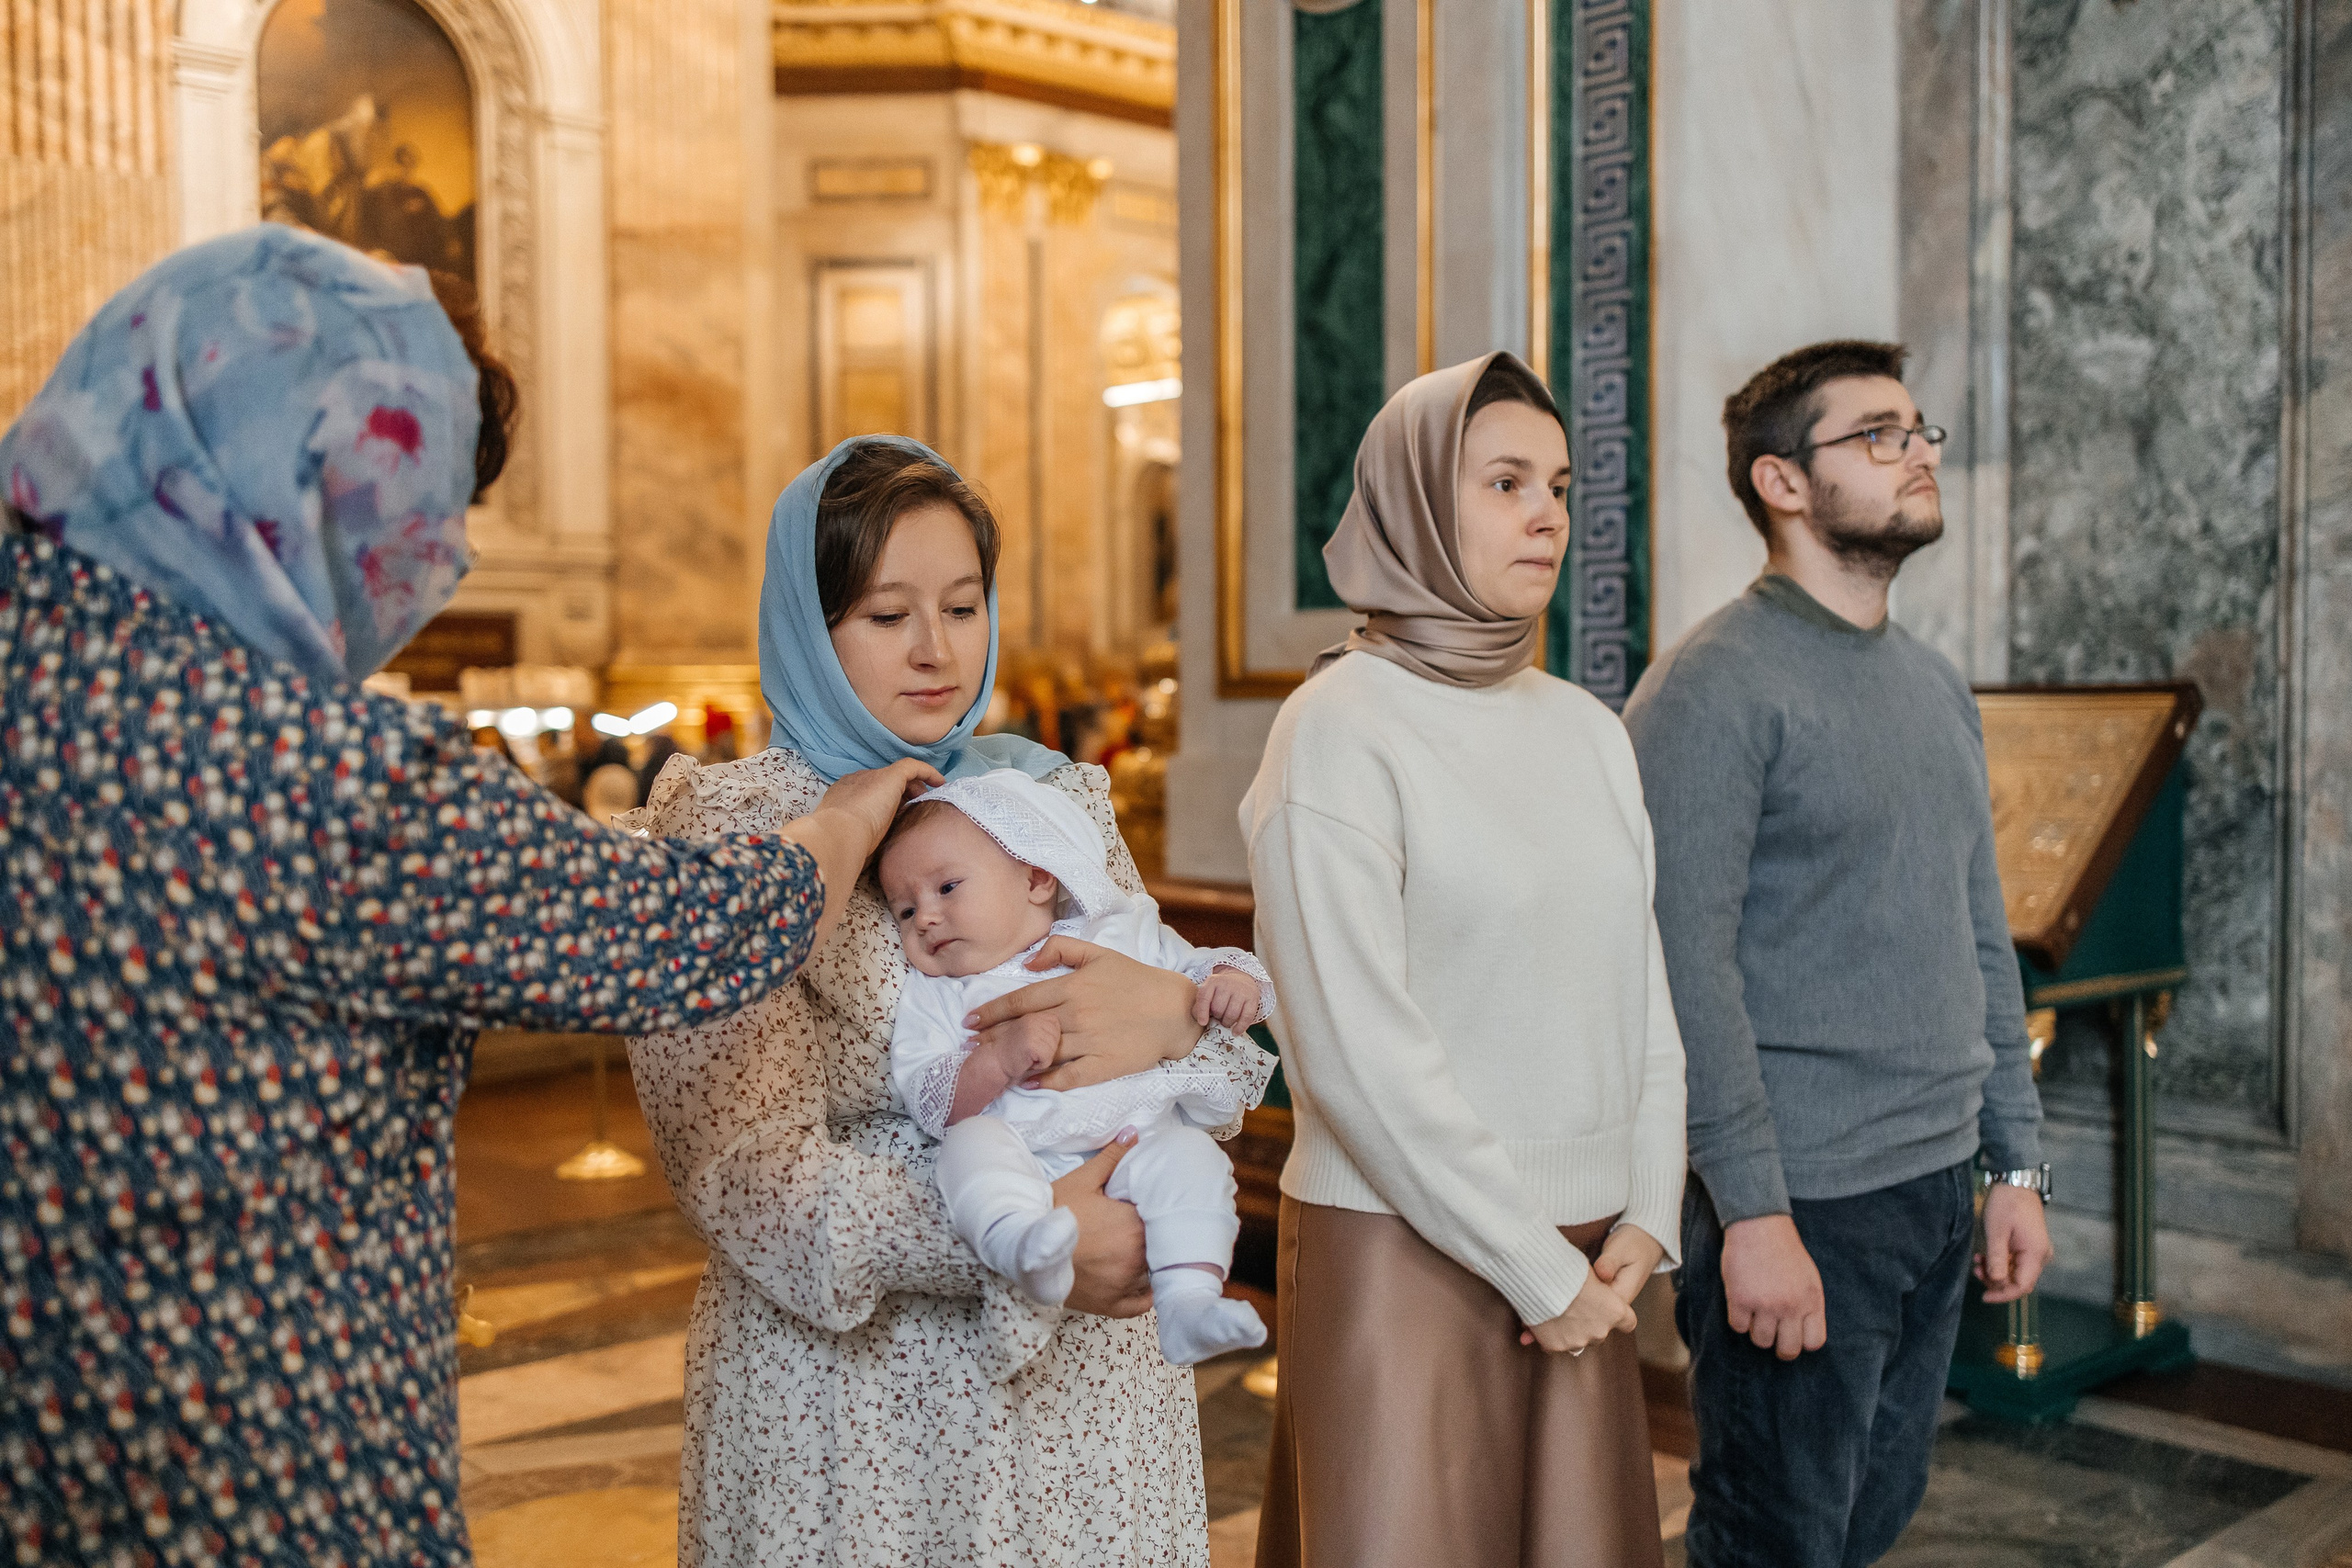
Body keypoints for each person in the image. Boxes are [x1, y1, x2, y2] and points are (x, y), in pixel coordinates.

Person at [0, 226, 930, 1568]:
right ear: (302, 480)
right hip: (234, 1454)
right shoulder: (315, 778)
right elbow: (680, 930)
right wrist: (848, 810)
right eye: (414, 506)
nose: (438, 570)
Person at [623, 435, 1275, 1566]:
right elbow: (746, 1180)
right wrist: (1033, 1236)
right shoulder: (737, 833)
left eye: (963, 606)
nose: (936, 651)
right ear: (809, 627)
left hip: (1089, 1409)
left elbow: (1207, 1062)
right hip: (861, 1415)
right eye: (886, 616)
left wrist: (1175, 1014)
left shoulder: (1045, 796)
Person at [1243, 352, 1688, 1568]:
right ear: (1417, 506)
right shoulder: (1339, 729)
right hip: (1405, 1252)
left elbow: (1639, 987)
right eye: (1503, 480)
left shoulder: (1589, 729)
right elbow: (1354, 1057)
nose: (1546, 510)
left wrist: (1646, 1205)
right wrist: (1534, 1265)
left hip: (1586, 1254)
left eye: (1555, 482)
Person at [1621, 340, 2052, 1567]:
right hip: (1803, 1196)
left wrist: (2013, 1158)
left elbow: (1979, 924)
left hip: (1931, 1186)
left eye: (1919, 429)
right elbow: (1681, 964)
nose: (1917, 451)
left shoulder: (1931, 684)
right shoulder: (1713, 687)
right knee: (1773, 1537)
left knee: (1869, 1517)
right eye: (1876, 433)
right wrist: (1751, 1209)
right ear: (1782, 482)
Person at [878, 768, 1272, 1364]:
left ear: (1036, 877)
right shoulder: (935, 993)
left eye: (947, 887)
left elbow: (1193, 969)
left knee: (1191, 1161)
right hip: (1026, 1154)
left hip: (1131, 1137)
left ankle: (1190, 1299)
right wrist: (996, 1061)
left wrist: (1234, 982)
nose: (925, 918)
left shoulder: (1114, 931)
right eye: (904, 911)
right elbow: (931, 1102)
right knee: (971, 1147)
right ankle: (1020, 1242)